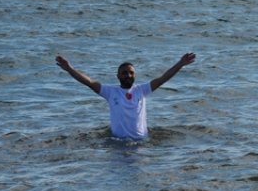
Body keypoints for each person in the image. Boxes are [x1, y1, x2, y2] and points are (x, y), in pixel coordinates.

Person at [56, 53, 196, 139]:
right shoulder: (110, 92)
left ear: (134, 75)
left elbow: (164, 78)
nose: (128, 75)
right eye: (124, 73)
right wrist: (69, 68)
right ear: (118, 76)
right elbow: (89, 82)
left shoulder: (142, 90)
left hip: (141, 142)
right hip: (118, 142)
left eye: (131, 73)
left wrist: (180, 64)